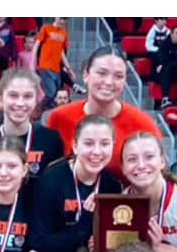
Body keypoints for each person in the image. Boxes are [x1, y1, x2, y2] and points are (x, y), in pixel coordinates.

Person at [44, 47, 163, 180]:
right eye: (102, 73)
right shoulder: (59, 117)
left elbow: (160, 177)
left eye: (118, 76)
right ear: (85, 75)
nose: (108, 82)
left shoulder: (143, 124)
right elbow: (49, 173)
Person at [30, 115, 124, 252]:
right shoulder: (52, 179)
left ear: (113, 145)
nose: (97, 152)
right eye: (89, 143)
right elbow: (40, 243)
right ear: (74, 146)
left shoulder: (112, 185)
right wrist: (84, 225)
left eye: (105, 144)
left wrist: (104, 246)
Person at [0, 68, 65, 185]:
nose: (20, 103)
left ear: (36, 101)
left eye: (27, 96)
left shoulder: (51, 140)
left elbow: (56, 187)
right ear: (1, 100)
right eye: (13, 96)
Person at [34, 17, 73, 106]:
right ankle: (39, 110)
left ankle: (50, 113)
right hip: (45, 66)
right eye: (61, 18)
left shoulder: (64, 33)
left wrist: (68, 68)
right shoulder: (46, 28)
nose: (62, 21)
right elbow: (36, 45)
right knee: (50, 93)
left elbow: (61, 51)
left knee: (56, 94)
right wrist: (32, 64)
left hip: (57, 68)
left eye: (65, 19)